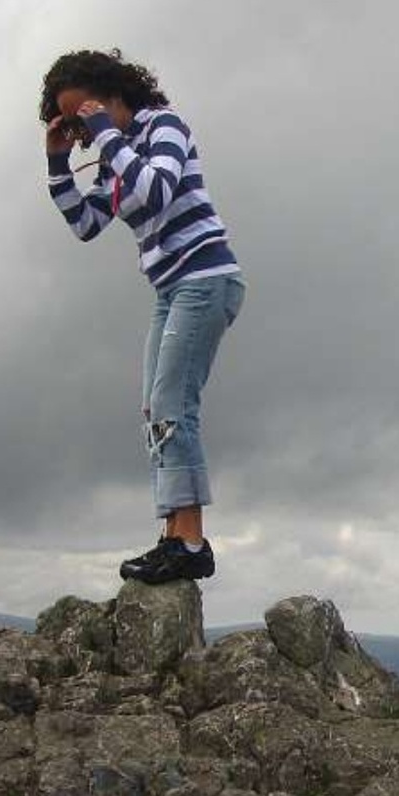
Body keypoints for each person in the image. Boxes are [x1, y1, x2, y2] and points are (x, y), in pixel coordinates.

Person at [40, 49, 245, 585]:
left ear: (113, 95)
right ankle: (174, 535)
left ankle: (191, 542)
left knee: (176, 405)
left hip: (206, 278)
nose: (82, 126)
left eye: (83, 111)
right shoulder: (115, 155)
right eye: (72, 119)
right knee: (157, 410)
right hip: (170, 287)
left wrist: (106, 134)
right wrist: (59, 162)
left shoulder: (165, 126)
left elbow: (157, 189)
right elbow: (85, 224)